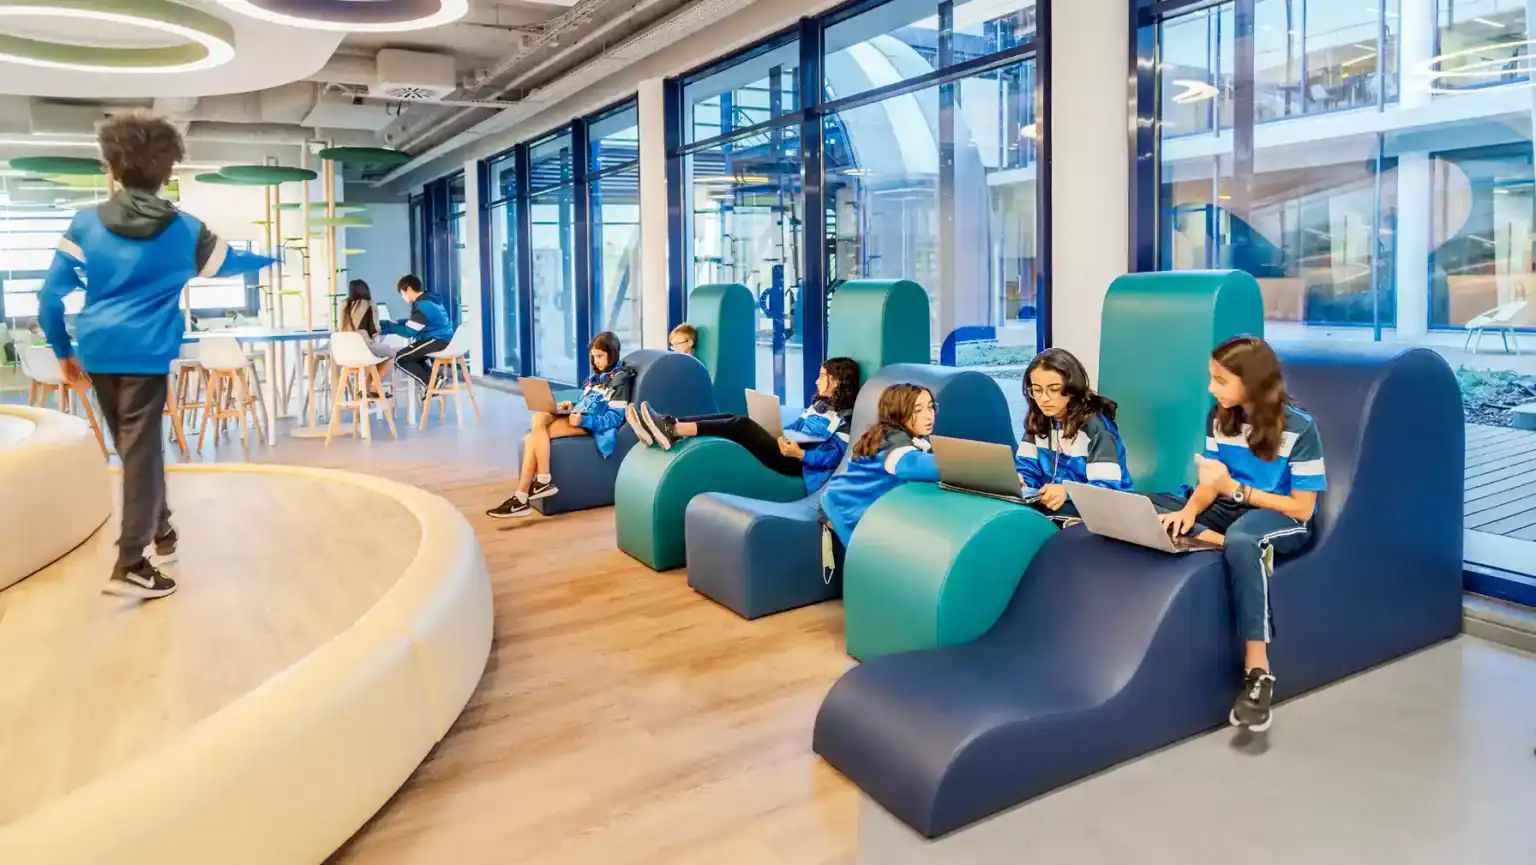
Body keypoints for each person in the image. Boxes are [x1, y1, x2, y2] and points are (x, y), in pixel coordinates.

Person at [38, 109, 276, 600]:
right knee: (140, 452)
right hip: (146, 354)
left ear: (112, 166)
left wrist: (63, 351)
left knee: (135, 451)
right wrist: (275, 257)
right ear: (168, 170)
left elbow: (48, 298)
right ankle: (130, 563)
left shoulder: (85, 225)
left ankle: (163, 531)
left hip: (98, 351)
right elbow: (232, 263)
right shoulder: (187, 229)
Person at [1144, 335, 1326, 732]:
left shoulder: (1300, 428)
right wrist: (1189, 511)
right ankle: (1219, 541)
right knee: (1152, 507)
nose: (1212, 388)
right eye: (1212, 378)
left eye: (1221, 380)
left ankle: (1258, 672)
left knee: (1246, 539)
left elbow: (1303, 508)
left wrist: (1238, 491)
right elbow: (1212, 482)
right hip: (1231, 506)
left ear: (1253, 381)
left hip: (1280, 516)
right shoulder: (1219, 416)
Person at [632, 357, 862, 494]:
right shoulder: (819, 405)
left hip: (798, 465)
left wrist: (800, 453)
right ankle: (670, 425)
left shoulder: (846, 419)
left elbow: (833, 458)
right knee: (731, 416)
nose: (816, 381)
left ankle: (671, 430)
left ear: (838, 382)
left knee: (741, 425)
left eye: (822, 377)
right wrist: (777, 432)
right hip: (786, 449)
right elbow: (798, 427)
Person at [487, 331, 633, 519]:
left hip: (592, 426)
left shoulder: (619, 380)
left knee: (534, 436)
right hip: (579, 417)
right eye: (593, 356)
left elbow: (615, 418)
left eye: (600, 356)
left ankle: (524, 496)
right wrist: (571, 406)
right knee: (539, 418)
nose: (595, 361)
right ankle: (535, 486)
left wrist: (584, 420)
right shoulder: (597, 378)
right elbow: (587, 401)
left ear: (612, 354)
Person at [818, 383, 940, 575]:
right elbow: (916, 465)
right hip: (843, 507)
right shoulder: (896, 446)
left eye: (931, 406)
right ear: (898, 412)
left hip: (848, 499)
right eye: (918, 410)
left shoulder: (901, 436)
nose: (929, 415)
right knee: (871, 566)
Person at [1016, 348, 1133, 522]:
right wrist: (1020, 481)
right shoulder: (1039, 421)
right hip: (1056, 509)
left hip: (1105, 514)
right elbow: (1027, 469)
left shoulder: (1097, 428)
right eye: (1037, 390)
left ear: (1072, 389)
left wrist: (1067, 492)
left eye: (1054, 389)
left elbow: (1106, 489)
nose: (1043, 399)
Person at [382, 274, 454, 397]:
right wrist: (399, 322)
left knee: (400, 358)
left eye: (402, 293)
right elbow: (419, 322)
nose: (402, 296)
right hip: (445, 339)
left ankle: (432, 382)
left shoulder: (422, 305)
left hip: (437, 340)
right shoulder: (429, 300)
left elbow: (409, 332)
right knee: (412, 356)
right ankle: (435, 379)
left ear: (408, 289)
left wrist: (388, 325)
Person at [339, 278, 392, 384]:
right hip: (364, 349)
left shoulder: (343, 305)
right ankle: (373, 387)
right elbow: (375, 330)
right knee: (391, 354)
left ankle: (366, 388)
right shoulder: (370, 304)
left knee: (378, 356)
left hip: (344, 354)